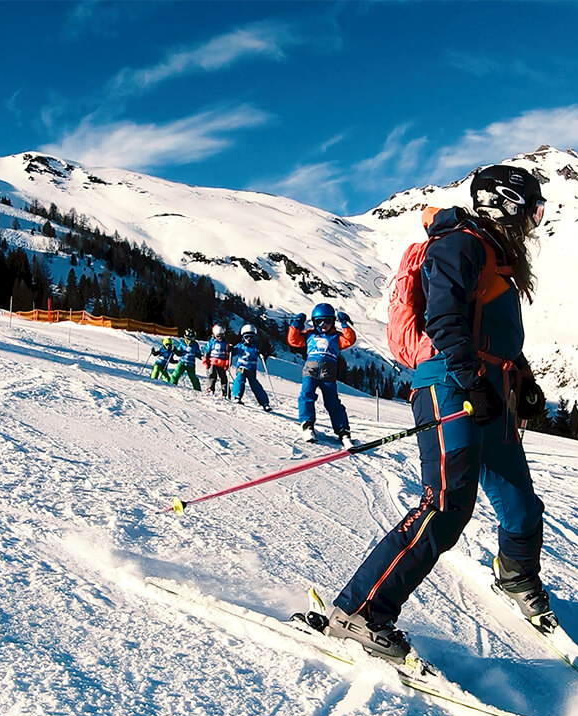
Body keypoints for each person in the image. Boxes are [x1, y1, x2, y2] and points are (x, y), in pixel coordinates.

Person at [324, 164, 551, 661]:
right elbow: (443, 317)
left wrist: (524, 381)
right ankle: (361, 612)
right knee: (446, 505)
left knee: (520, 503)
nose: (537, 219)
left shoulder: (496, 254)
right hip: (452, 386)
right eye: (534, 208)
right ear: (505, 203)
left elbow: (492, 328)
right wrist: (471, 380)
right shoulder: (461, 242)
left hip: (491, 387)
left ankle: (515, 577)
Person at [287, 303, 356, 447]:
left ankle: (342, 430)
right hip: (310, 369)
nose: (323, 325)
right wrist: (295, 326)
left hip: (328, 371)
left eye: (327, 321)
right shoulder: (309, 334)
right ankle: (307, 424)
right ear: (314, 322)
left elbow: (349, 340)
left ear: (332, 321)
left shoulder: (336, 337)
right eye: (319, 321)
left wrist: (346, 325)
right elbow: (294, 341)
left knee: (332, 401)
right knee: (306, 394)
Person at [229, 324, 271, 411]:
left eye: (251, 337)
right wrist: (230, 349)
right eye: (246, 337)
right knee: (240, 378)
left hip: (251, 369)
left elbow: (262, 354)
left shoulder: (255, 347)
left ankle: (264, 403)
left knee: (255, 384)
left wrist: (263, 353)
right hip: (241, 367)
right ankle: (237, 396)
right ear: (243, 337)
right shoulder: (240, 346)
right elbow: (233, 352)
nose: (248, 340)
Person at [203, 324, 232, 399]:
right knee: (212, 375)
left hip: (222, 363)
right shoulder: (211, 342)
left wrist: (227, 364)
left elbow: (227, 354)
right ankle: (210, 389)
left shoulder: (225, 343)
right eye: (218, 336)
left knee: (223, 378)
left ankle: (226, 392)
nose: (220, 338)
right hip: (213, 362)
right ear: (214, 335)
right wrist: (206, 360)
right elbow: (207, 351)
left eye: (221, 336)